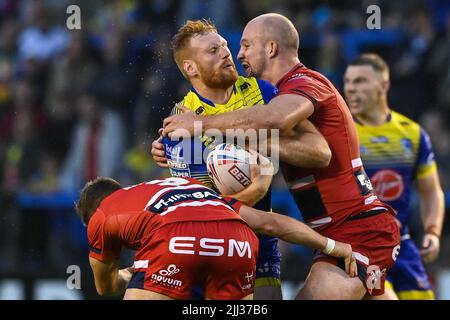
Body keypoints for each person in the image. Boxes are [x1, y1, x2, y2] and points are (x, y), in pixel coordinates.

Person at [162, 13, 401, 299]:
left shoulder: (296, 86)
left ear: (271, 48)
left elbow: (313, 148)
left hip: (355, 230)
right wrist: (172, 148)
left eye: (244, 45)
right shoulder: (185, 113)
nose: (236, 54)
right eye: (218, 49)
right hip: (337, 229)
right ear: (189, 67)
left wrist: (206, 127)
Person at [151, 19, 331, 300]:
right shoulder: (180, 121)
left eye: (224, 45)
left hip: (261, 246)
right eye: (213, 50)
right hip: (212, 251)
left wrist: (253, 148)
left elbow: (318, 153)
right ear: (190, 68)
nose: (227, 53)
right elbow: (204, 207)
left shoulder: (265, 92)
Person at [77, 174, 357, 300]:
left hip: (175, 243)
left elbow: (106, 287)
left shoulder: (101, 215)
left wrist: (130, 273)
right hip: (238, 242)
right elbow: (269, 223)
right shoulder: (183, 187)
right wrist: (333, 246)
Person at [344, 53, 445, 300]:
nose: (350, 89)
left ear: (384, 85)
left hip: (405, 244)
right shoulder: (343, 134)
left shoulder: (412, 133)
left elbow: (431, 190)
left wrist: (432, 231)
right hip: (363, 246)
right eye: (347, 82)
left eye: (360, 81)